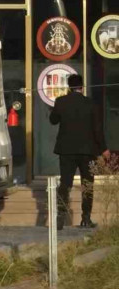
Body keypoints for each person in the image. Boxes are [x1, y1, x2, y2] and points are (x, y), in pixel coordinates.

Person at [49, 74, 109, 230]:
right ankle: (86, 218)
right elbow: (97, 129)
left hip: (66, 150)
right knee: (87, 184)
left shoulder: (61, 102)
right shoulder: (91, 104)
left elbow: (53, 120)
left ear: (69, 87)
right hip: (88, 151)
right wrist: (103, 148)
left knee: (65, 183)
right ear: (82, 87)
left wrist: (55, 110)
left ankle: (60, 217)